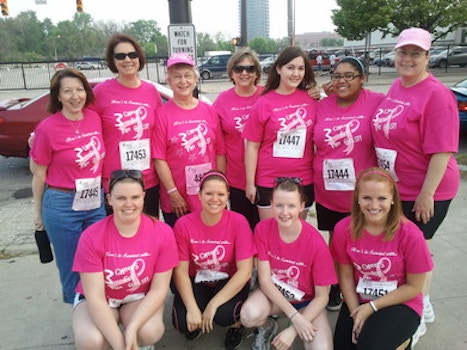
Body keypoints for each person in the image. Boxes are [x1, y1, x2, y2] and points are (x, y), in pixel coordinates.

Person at [371, 27, 460, 331]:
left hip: (426, 189)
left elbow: (443, 152)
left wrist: (426, 194)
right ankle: (422, 302)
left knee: (416, 250)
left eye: (415, 53)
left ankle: (418, 311)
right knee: (404, 248)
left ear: (427, 56)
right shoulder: (397, 87)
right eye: (403, 52)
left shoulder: (437, 95)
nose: (408, 59)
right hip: (398, 186)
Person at [72, 169, 178, 350]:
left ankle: (138, 340)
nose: (129, 204)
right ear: (109, 200)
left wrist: (132, 329)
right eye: (121, 198)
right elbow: (95, 298)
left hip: (137, 296)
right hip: (101, 299)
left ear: (144, 198)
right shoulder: (91, 236)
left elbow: (159, 290)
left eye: (135, 197)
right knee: (91, 341)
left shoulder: (163, 232)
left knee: (149, 331)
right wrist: (120, 345)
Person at [330, 167, 434, 349]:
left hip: (401, 302)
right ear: (358, 199)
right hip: (359, 298)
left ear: (393, 199)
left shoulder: (410, 234)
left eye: (382, 198)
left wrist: (372, 307)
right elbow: (345, 276)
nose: (374, 205)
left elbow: (414, 287)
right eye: (367, 198)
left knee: (369, 346)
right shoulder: (343, 229)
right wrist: (356, 312)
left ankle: (404, 341)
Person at [314, 56, 385, 311]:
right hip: (328, 189)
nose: (342, 81)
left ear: (362, 78)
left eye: (349, 75)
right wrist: (318, 91)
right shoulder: (322, 105)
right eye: (337, 75)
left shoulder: (377, 102)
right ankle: (336, 286)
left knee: (366, 239)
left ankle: (367, 284)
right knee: (337, 240)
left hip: (364, 191)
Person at [30, 68, 106, 304]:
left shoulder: (94, 118)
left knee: (99, 260)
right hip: (62, 205)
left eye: (79, 90)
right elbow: (38, 174)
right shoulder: (47, 128)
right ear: (58, 96)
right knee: (73, 266)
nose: (75, 96)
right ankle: (80, 314)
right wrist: (37, 213)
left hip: (95, 201)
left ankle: (100, 310)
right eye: (68, 91)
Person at [240, 178, 336, 350]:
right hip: (274, 295)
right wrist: (293, 316)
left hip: (307, 302)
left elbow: (322, 297)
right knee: (248, 315)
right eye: (279, 205)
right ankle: (268, 327)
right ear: (271, 204)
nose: (285, 212)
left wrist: (293, 329)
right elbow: (265, 281)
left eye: (291, 206)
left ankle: (298, 326)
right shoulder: (262, 229)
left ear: (301, 206)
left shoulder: (316, 243)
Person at [171, 170, 255, 349]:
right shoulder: (184, 224)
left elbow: (245, 271)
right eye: (209, 193)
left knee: (224, 315)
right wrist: (192, 308)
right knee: (182, 322)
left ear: (228, 196)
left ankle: (235, 325)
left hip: (228, 279)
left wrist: (213, 305)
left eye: (220, 194)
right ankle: (199, 313)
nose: (214, 199)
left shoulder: (239, 222)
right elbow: (180, 271)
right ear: (199, 195)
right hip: (199, 279)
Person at [92, 33, 163, 217]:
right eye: (120, 56)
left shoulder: (151, 91)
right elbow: (80, 120)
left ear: (139, 57)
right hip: (115, 181)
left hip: (148, 179)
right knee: (118, 240)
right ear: (112, 60)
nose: (127, 60)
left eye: (132, 54)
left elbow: (161, 130)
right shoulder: (101, 92)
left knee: (149, 234)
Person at [244, 46, 317, 220]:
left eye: (300, 69)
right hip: (269, 180)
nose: (296, 74)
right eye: (290, 68)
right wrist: (249, 183)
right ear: (279, 69)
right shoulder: (263, 103)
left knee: (295, 237)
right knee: (269, 237)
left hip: (303, 180)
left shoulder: (312, 100)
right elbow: (252, 146)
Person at [153, 53, 226, 227]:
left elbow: (220, 152)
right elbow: (159, 158)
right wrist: (173, 193)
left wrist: (221, 187)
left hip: (208, 195)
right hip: (178, 198)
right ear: (169, 81)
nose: (183, 81)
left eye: (187, 75)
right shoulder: (162, 114)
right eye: (177, 76)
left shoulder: (209, 111)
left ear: (195, 79)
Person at [213, 48, 263, 230]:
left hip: (266, 177)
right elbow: (218, 146)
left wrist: (313, 90)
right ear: (231, 73)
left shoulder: (267, 95)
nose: (244, 73)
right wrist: (221, 180)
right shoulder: (222, 101)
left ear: (257, 72)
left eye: (250, 68)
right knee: (242, 231)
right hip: (236, 179)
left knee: (266, 232)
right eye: (239, 68)